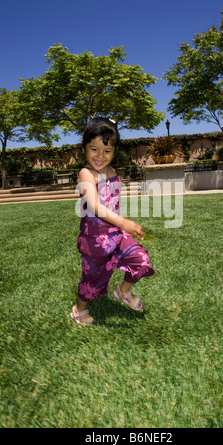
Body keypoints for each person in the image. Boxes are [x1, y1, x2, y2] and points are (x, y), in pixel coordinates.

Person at [71, 117, 155, 325]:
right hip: (95, 240)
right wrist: (123, 222)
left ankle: (123, 291)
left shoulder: (113, 173)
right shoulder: (86, 174)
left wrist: (121, 227)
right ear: (84, 148)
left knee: (140, 260)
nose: (100, 156)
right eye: (94, 149)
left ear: (114, 151)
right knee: (93, 280)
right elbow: (94, 205)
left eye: (107, 151)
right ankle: (79, 309)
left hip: (117, 235)